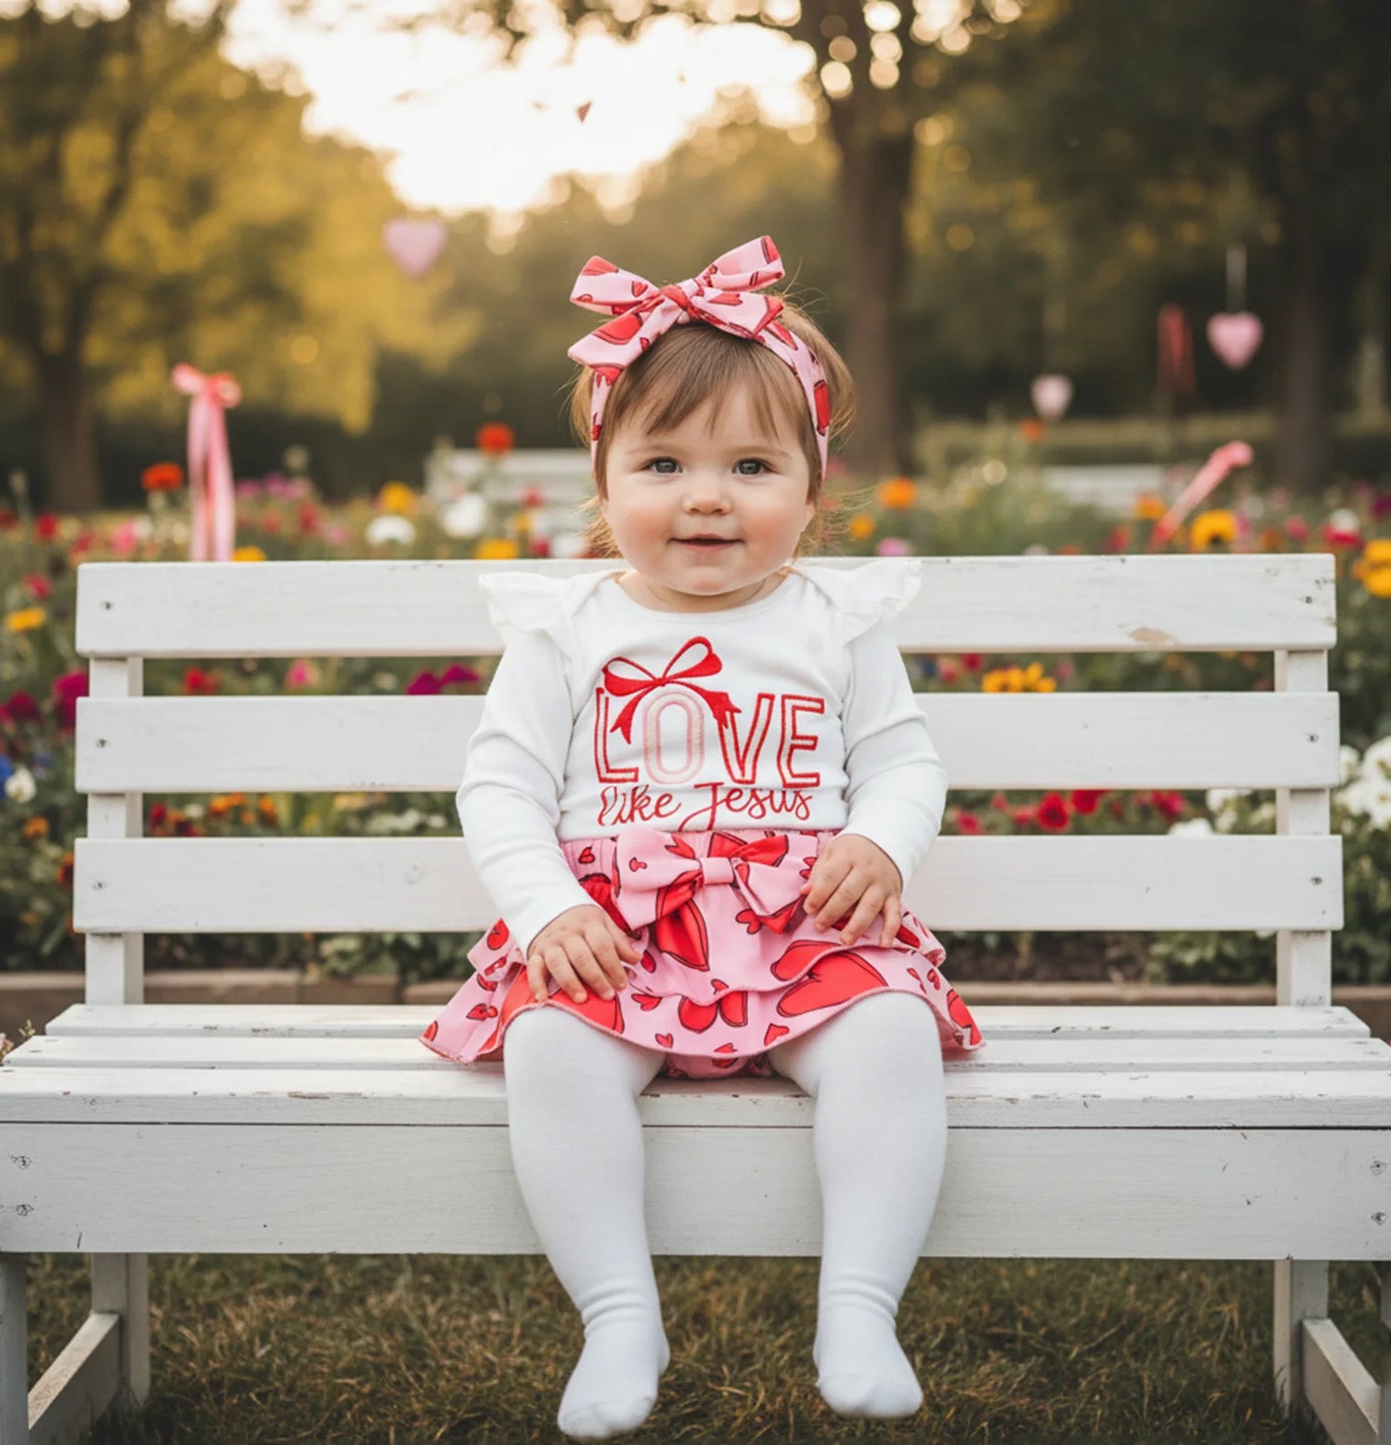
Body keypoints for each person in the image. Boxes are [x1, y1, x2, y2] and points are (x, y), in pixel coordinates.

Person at [421, 236, 985, 1441]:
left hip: (803, 926)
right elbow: (500, 784)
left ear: (811, 488)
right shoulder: (565, 627)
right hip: (612, 934)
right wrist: (543, 910)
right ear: (605, 477)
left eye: (750, 463)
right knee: (551, 1050)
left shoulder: (836, 620)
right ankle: (618, 1312)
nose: (706, 494)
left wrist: (879, 844)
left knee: (887, 1031)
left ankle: (859, 1303)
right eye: (662, 462)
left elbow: (900, 759)